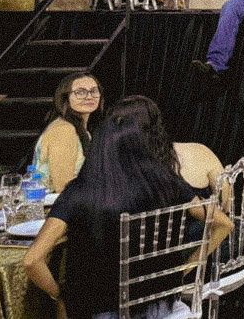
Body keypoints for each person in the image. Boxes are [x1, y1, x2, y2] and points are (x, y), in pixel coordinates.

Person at [24, 97, 233, 319]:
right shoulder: (168, 183)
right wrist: (184, 268)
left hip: (101, 311)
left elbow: (31, 260)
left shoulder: (79, 192)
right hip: (162, 308)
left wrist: (59, 295)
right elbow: (224, 224)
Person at [34, 72, 103, 191]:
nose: (89, 96)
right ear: (65, 98)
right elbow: (63, 187)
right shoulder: (64, 130)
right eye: (80, 92)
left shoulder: (80, 129)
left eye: (94, 91)